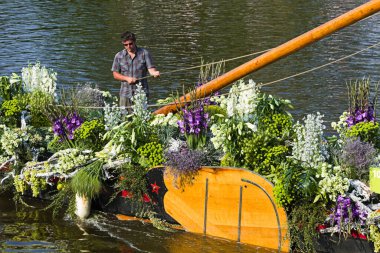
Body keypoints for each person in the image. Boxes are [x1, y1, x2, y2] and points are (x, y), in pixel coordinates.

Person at [111, 31, 160, 110]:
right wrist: (127, 78)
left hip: (141, 93)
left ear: (134, 42)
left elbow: (151, 70)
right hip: (125, 94)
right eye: (125, 45)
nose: (128, 46)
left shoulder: (144, 53)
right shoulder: (119, 56)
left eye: (130, 44)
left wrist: (155, 73)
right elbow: (115, 74)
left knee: (142, 119)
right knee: (125, 120)